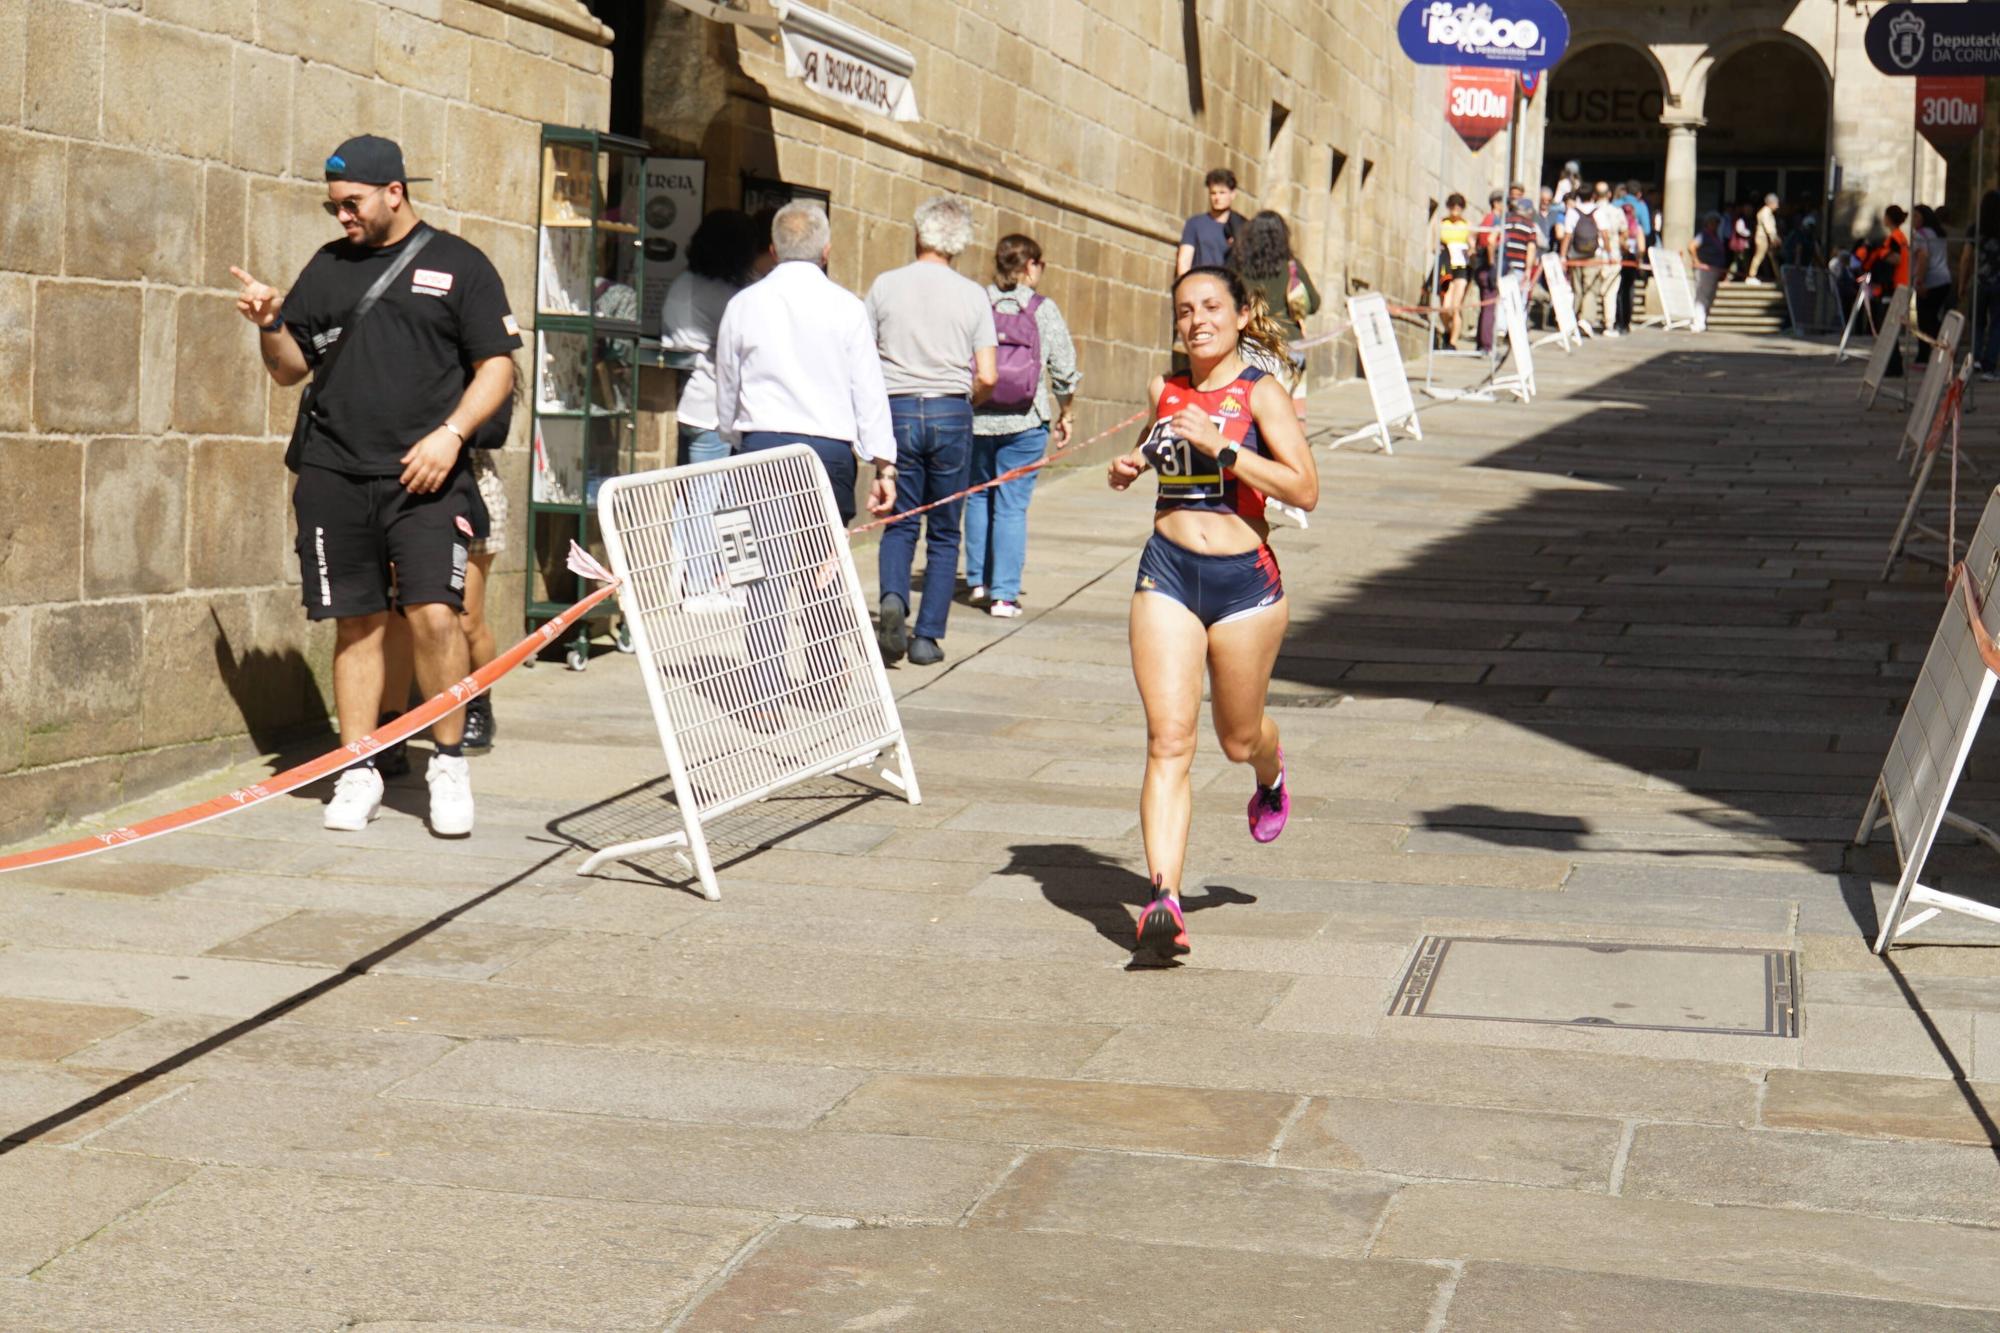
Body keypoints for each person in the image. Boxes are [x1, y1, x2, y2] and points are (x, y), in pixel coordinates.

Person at [231, 135, 518, 837]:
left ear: (394, 192)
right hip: (333, 470)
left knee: (434, 615)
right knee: (356, 620)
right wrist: (270, 324)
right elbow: (288, 368)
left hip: (427, 476)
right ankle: (358, 764)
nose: (342, 218)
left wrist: (451, 434)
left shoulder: (460, 264)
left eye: (352, 203)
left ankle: (447, 763)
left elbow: (497, 368)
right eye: (334, 206)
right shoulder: (328, 268)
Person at [1105, 267, 1318, 963]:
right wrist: (1134, 464)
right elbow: (1160, 444)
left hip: (1244, 586)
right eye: (1185, 310)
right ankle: (1162, 899)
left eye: (1210, 307)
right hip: (1166, 572)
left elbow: (1305, 487)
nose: (1197, 319)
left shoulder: (1262, 393)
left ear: (1239, 314)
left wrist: (1225, 446)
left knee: (1236, 736)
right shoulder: (1164, 390)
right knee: (1169, 740)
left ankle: (1269, 767)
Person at [712, 201, 897, 720]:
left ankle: (766, 687)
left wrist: (733, 432)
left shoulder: (745, 304)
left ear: (772, 249)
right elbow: (869, 389)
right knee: (821, 569)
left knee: (763, 573)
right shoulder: (845, 306)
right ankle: (823, 683)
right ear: (826, 249)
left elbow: (728, 384)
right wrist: (884, 464)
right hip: (829, 452)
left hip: (761, 447)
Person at [866, 195, 999, 668]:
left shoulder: (885, 285)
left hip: (897, 409)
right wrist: (967, 402)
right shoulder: (972, 295)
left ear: (918, 233)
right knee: (944, 530)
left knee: (901, 521)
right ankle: (926, 636)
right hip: (949, 410)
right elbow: (987, 374)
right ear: (959, 243)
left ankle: (894, 600)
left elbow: (864, 357)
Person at [965, 234, 1080, 619]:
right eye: (1040, 265)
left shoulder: (975, 301)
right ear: (1030, 265)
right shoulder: (1042, 310)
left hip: (978, 417)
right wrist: (1067, 411)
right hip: (1026, 421)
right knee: (1012, 507)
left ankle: (978, 581)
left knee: (979, 496)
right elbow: (1064, 370)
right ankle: (1004, 596)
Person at [663, 209, 770, 468]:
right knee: (705, 499)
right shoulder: (726, 296)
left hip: (686, 403)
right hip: (709, 408)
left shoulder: (684, 282)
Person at [1230, 210, 1320, 402]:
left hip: (1248, 344)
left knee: (1247, 405)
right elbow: (1314, 303)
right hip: (1288, 344)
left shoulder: (1236, 265)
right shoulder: (1292, 268)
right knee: (1292, 409)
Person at [1959, 191, 2000, 378]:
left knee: (1977, 323)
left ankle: (1974, 359)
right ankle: (1989, 366)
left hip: (1979, 281)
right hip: (1998, 282)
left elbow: (1966, 258)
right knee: (1997, 325)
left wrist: (1962, 282)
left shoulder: (1975, 228)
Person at [1177, 168, 1246, 276]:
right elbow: (1184, 261)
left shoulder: (1243, 227)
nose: (1217, 198)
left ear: (1233, 194)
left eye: (1222, 193)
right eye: (1213, 193)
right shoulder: (1195, 224)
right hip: (1199, 285)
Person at [1911, 204, 1956, 366]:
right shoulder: (1938, 233)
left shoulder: (1921, 235)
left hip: (1930, 281)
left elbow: (1923, 257)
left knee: (1924, 321)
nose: (1913, 220)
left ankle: (1925, 355)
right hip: (1944, 279)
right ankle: (1945, 346)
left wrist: (1919, 281)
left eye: (1916, 216)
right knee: (1932, 318)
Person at [1435, 193, 1474, 348]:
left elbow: (1472, 243)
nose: (1455, 210)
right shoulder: (1442, 222)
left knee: (1456, 306)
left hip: (1461, 266)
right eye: (1452, 207)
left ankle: (1452, 341)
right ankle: (1447, 330)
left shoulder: (1467, 224)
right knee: (1445, 307)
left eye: (1458, 207)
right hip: (1446, 265)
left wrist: (1471, 249)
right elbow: (1435, 243)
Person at [1687, 210, 1729, 333]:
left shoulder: (1716, 236)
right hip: (1705, 270)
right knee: (1702, 296)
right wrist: (1697, 261)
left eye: (1717, 223)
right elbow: (1691, 246)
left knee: (1709, 297)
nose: (1715, 225)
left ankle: (1703, 320)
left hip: (1715, 271)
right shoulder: (1703, 235)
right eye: (1714, 222)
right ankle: (1698, 322)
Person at [1474, 189, 1504, 352]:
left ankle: (1481, 342)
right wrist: (1492, 264)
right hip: (1488, 268)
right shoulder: (1496, 220)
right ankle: (1486, 345)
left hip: (1481, 268)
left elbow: (1474, 237)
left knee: (1485, 306)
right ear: (1497, 203)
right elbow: (1492, 241)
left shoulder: (1485, 219)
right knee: (1489, 308)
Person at [1746, 194, 1781, 285]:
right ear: (1771, 203)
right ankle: (1751, 276)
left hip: (1766, 238)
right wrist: (1774, 238)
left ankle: (1778, 277)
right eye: (1776, 203)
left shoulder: (1768, 212)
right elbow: (1768, 227)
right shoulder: (1765, 212)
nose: (1777, 205)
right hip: (1763, 238)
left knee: (1772, 258)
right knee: (1759, 256)